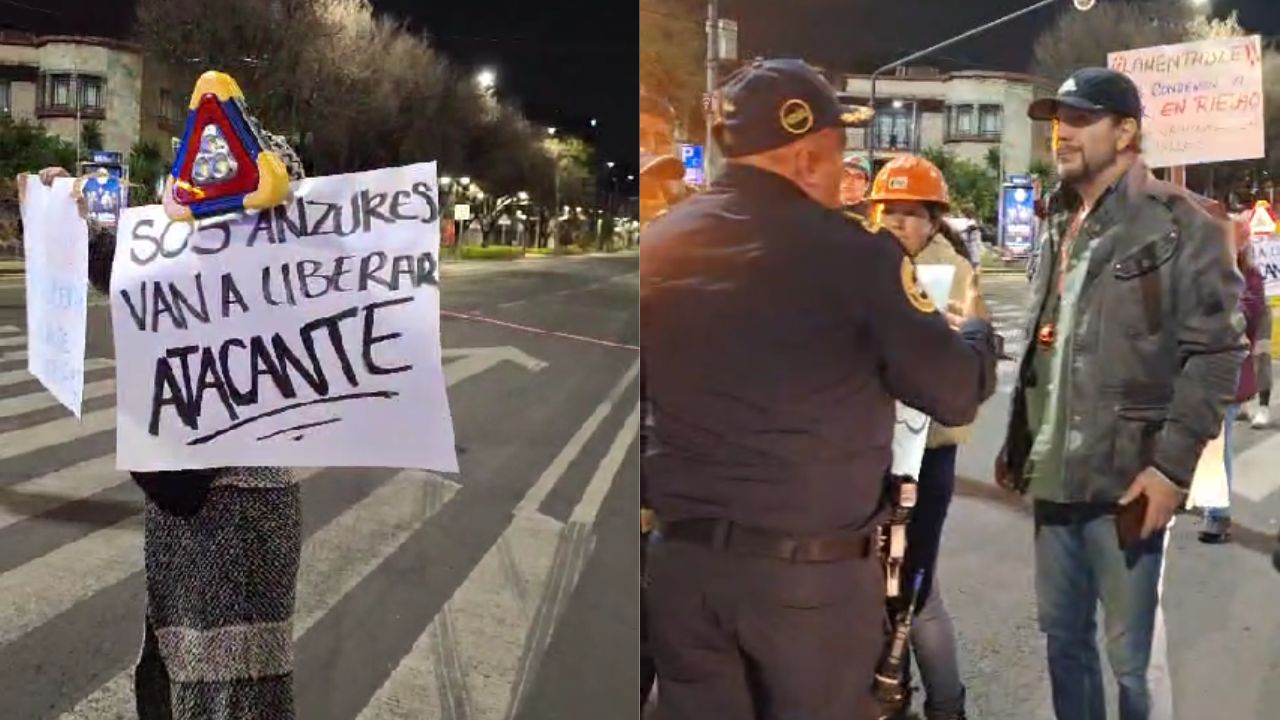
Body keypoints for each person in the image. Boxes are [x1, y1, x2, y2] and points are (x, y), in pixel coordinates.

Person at [641, 57, 998, 720]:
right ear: (809, 157)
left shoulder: (659, 248)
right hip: (808, 587)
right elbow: (952, 392)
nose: (843, 178)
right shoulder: (856, 255)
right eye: (838, 156)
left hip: (683, 573)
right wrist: (978, 334)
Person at [19, 126, 307, 720]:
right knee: (179, 670)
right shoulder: (178, 256)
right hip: (185, 507)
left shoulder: (278, 272)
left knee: (236, 683)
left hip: (245, 508)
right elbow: (120, 266)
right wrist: (58, 217)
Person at [997, 67, 1245, 720]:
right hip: (1054, 479)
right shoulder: (1056, 216)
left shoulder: (1179, 221)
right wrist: (1017, 443)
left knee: (1128, 659)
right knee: (1062, 639)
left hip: (1128, 479)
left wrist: (1170, 470)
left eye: (1080, 119)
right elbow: (1046, 338)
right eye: (1058, 120)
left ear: (1127, 131)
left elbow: (1218, 351)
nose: (1062, 133)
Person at [867, 155, 987, 720]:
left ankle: (946, 706)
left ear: (934, 219)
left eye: (911, 214)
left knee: (914, 589)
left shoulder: (953, 274)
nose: (897, 223)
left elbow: (968, 371)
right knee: (879, 587)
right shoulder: (864, 264)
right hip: (868, 454)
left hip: (927, 454)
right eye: (888, 211)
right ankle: (897, 694)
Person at [1199, 216, 1266, 543]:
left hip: (1228, 373)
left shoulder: (1249, 278)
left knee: (1215, 442)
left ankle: (1218, 514)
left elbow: (1244, 319)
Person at [841, 152, 873, 218]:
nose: (850, 181)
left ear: (866, 185)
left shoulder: (876, 213)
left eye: (858, 177)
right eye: (845, 175)